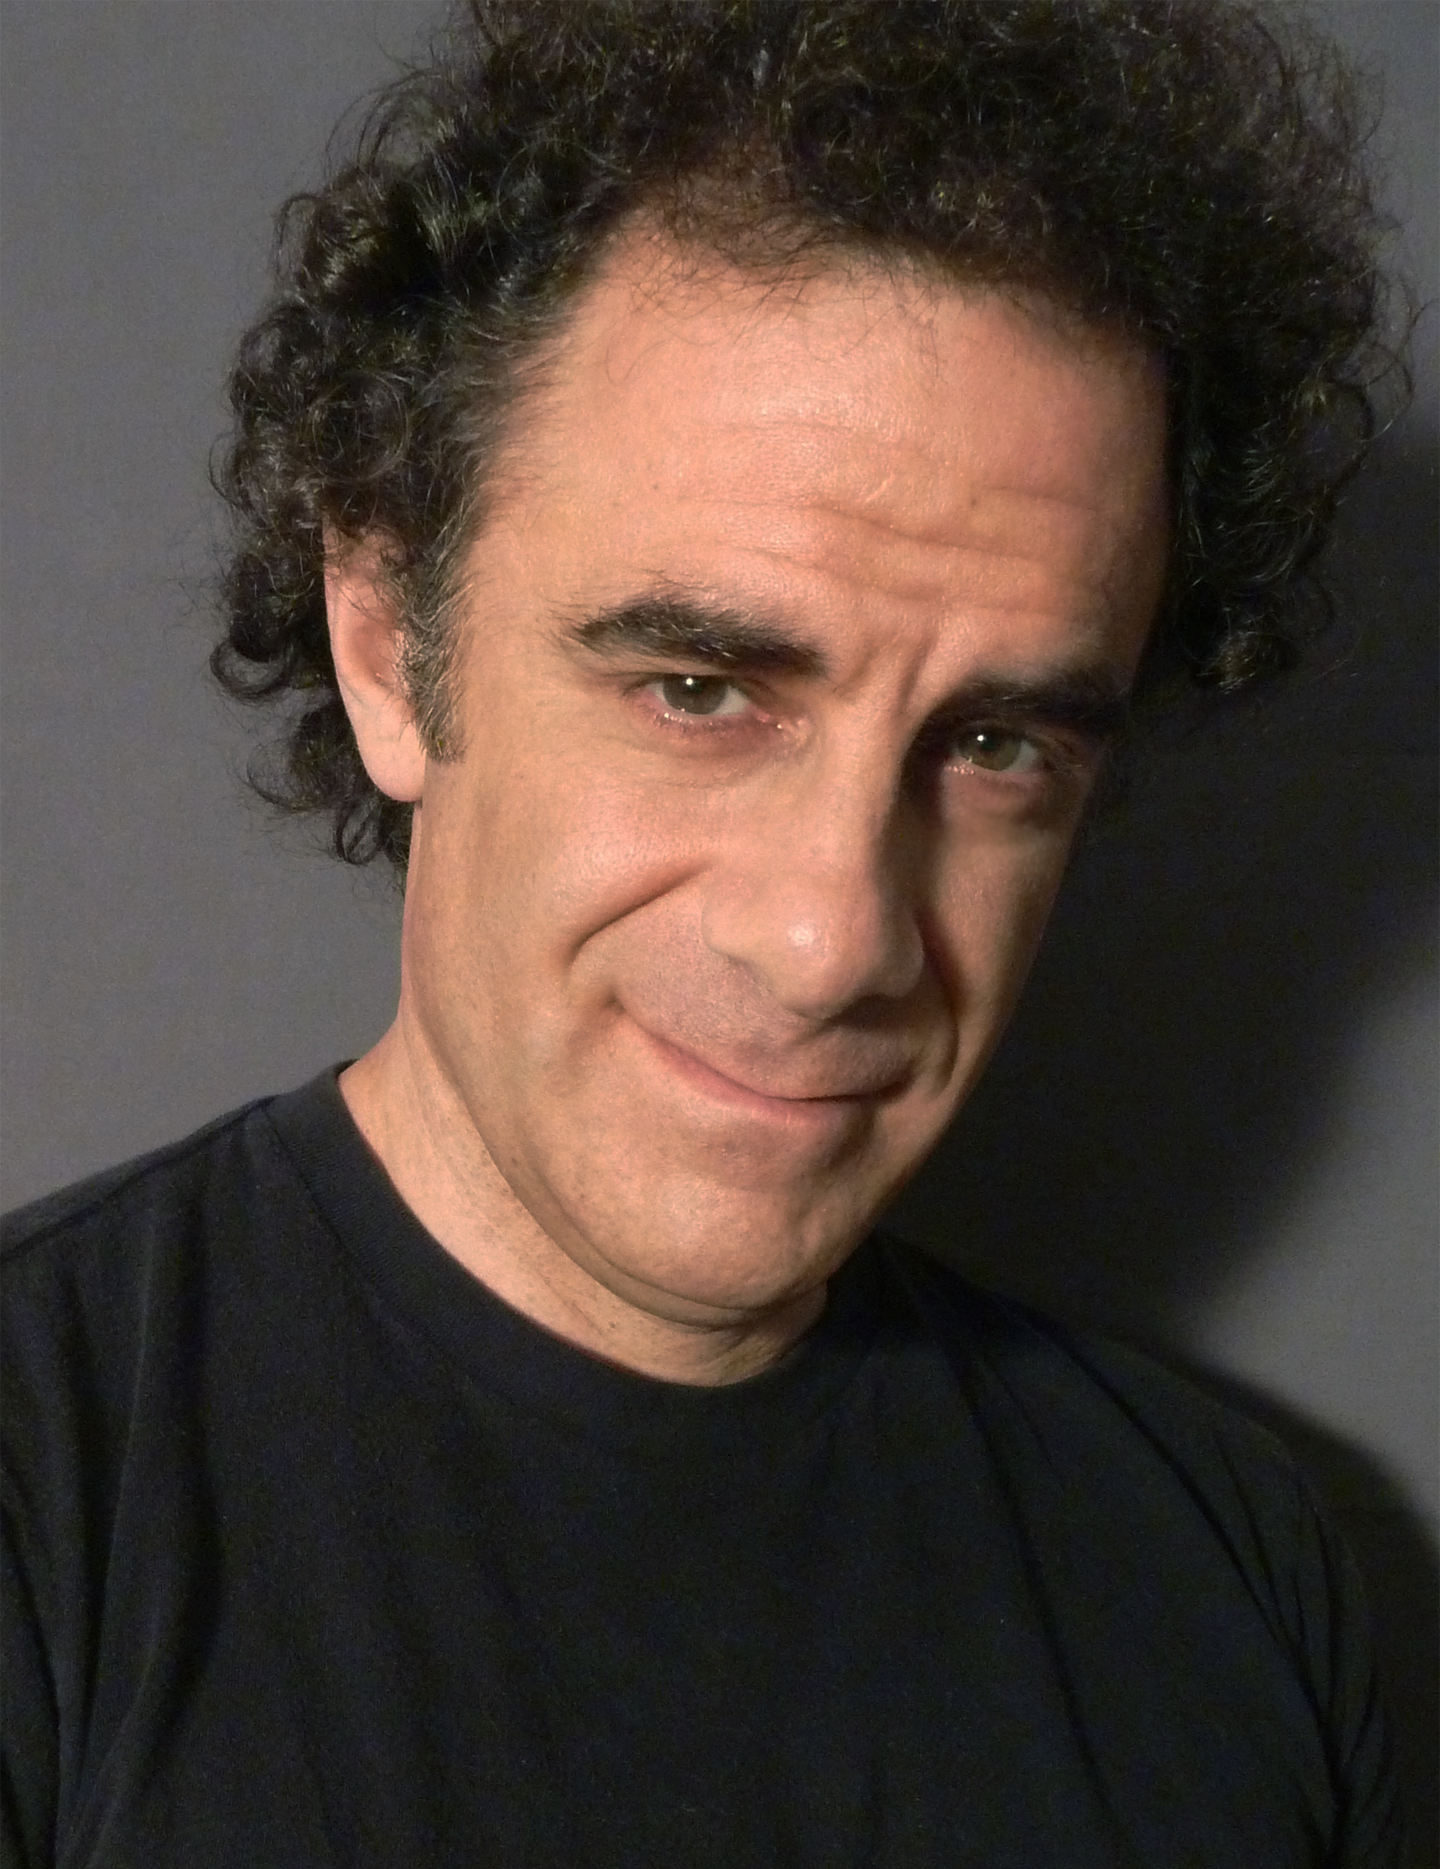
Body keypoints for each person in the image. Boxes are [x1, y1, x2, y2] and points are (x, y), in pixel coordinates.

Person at [1, 1, 1409, 1862]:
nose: (836, 938)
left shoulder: (1242, 1580)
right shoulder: (43, 1491)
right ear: (388, 640)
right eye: (699, 689)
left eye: (993, 745)